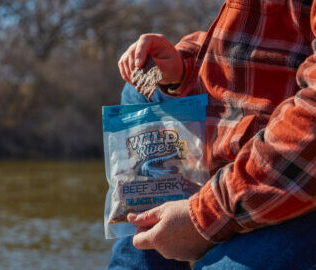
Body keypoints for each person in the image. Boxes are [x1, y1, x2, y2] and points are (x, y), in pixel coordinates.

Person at [109, 1, 316, 269]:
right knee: (142, 88)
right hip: (245, 143)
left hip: (297, 181)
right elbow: (261, 46)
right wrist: (183, 69)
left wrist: (204, 218)